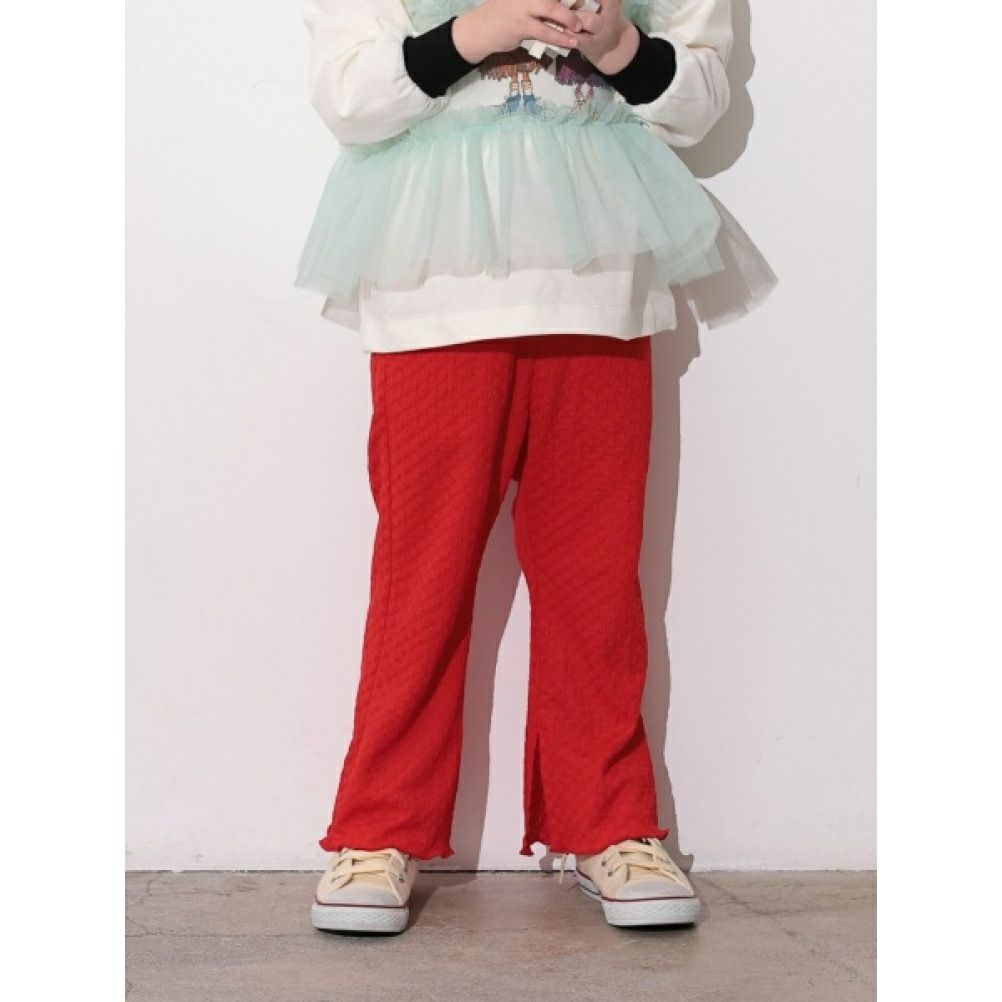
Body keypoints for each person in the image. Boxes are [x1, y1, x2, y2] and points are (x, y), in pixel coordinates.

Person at [297, 0, 734, 934]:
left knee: (596, 579)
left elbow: (700, 101)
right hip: (432, 293)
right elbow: (347, 98)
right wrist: (476, 32)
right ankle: (378, 828)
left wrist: (618, 45)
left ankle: (609, 820)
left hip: (600, 284)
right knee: (421, 579)